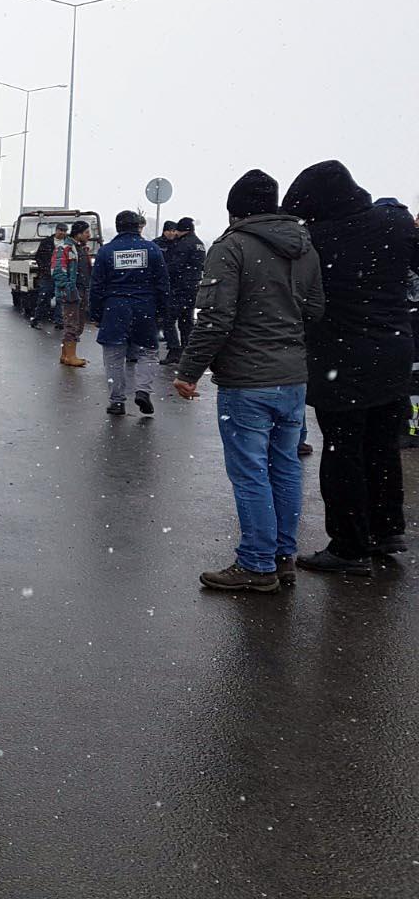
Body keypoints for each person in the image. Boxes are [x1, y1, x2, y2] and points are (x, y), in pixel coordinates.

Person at [173, 169, 324, 592]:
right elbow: (315, 310)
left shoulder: (232, 246)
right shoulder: (305, 248)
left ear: (234, 208)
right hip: (293, 378)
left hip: (248, 380)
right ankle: (281, 557)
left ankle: (256, 565)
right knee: (286, 468)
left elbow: (215, 318)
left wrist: (188, 371)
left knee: (250, 472)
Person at [283, 164, 419, 575]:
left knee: (343, 454)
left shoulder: (318, 240)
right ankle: (387, 528)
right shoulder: (393, 223)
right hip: (393, 353)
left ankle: (349, 546)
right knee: (382, 445)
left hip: (342, 363)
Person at [88, 210, 170, 415]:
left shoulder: (106, 251)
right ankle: (143, 391)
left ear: (117, 227)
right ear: (138, 227)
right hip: (144, 306)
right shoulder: (152, 249)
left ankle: (117, 400)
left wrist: (96, 314)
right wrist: (161, 311)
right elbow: (163, 284)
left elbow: (96, 286)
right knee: (148, 352)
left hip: (114, 308)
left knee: (114, 356)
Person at [160, 217, 206, 365]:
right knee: (186, 321)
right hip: (193, 287)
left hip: (180, 287)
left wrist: (162, 275)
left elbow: (175, 267)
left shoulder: (183, 244)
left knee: (167, 320)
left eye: (178, 230)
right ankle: (187, 351)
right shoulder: (199, 244)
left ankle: (174, 350)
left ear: (183, 230)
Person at [51, 220, 92, 367]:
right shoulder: (65, 248)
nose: (89, 235)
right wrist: (68, 289)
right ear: (79, 233)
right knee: (72, 324)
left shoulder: (80, 248)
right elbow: (58, 271)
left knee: (78, 324)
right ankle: (70, 356)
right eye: (87, 232)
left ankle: (66, 355)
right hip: (72, 292)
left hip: (81, 290)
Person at [30, 223, 67, 327]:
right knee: (44, 297)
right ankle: (37, 320)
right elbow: (38, 257)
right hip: (47, 275)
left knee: (60, 299)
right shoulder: (46, 242)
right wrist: (45, 268)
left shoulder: (68, 243)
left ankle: (59, 321)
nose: (62, 233)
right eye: (60, 230)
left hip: (62, 275)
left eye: (64, 231)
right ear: (56, 230)